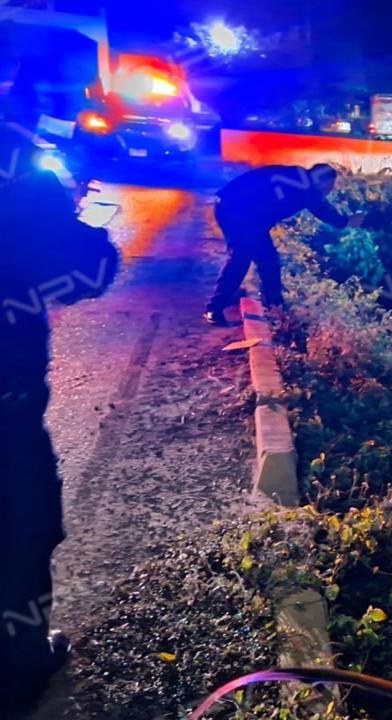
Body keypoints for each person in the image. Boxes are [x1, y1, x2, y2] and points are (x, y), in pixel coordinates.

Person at [0, 122, 119, 710]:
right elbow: (81, 272)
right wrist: (83, 227)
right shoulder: (19, 160)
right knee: (21, 534)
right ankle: (18, 669)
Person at [204, 163, 366, 326]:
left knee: (266, 260)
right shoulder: (305, 187)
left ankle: (275, 310)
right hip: (236, 209)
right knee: (243, 258)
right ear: (322, 182)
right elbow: (322, 210)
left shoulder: (299, 178)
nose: (330, 190)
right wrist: (346, 221)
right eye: (330, 185)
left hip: (238, 209)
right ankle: (218, 308)